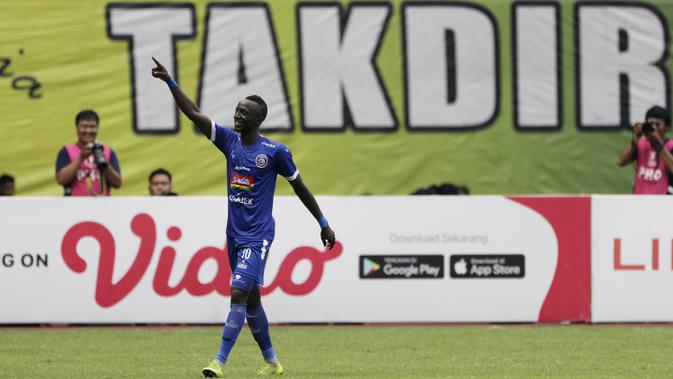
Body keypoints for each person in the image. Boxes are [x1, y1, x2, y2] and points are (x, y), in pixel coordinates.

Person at [151, 57, 336, 377]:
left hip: (258, 235)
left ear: (258, 120)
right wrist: (171, 82)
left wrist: (322, 222)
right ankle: (272, 362)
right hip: (234, 235)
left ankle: (218, 361)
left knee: (237, 292)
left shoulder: (275, 152)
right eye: (236, 110)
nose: (236, 115)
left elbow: (300, 188)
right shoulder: (229, 141)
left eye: (243, 112)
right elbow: (194, 113)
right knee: (250, 300)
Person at [55, 110, 122, 196]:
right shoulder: (67, 150)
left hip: (102, 206)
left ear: (97, 127)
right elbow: (61, 180)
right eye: (84, 126)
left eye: (92, 126)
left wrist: (104, 163)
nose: (88, 130)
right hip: (73, 206)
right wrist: (81, 157)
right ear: (77, 127)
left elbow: (117, 184)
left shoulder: (107, 151)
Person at [617, 105, 673, 194]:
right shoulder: (641, 143)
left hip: (663, 201)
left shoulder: (671, 145)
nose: (654, 128)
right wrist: (637, 137)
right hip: (639, 199)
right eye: (650, 124)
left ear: (667, 127)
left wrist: (659, 144)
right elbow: (620, 162)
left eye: (657, 124)